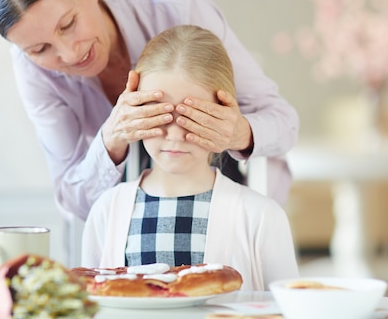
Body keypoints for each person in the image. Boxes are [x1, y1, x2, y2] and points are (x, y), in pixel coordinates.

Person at [0, 0, 299, 221]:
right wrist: (110, 139)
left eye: (68, 24)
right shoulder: (32, 69)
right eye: (40, 49)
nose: (69, 54)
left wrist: (238, 132)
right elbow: (71, 197)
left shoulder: (172, 6)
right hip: (124, 221)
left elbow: (283, 122)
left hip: (232, 196)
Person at [81, 25, 299, 290]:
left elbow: (288, 308)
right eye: (158, 114)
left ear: (224, 114)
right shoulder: (106, 210)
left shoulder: (261, 216)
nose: (174, 135)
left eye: (191, 118)